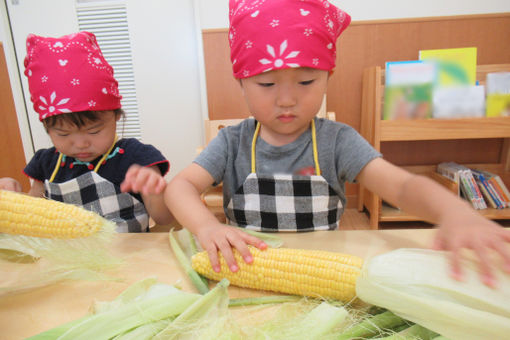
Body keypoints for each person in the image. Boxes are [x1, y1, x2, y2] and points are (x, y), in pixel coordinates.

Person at [165, 0, 510, 286]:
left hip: (323, 279)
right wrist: (207, 226)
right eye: (267, 85)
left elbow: (403, 188)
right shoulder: (231, 142)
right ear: (241, 82)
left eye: (305, 81)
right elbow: (179, 187)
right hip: (246, 276)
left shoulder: (338, 141)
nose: (287, 100)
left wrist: (454, 211)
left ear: (328, 76)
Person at [0, 31, 173, 232]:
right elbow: (30, 216)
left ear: (116, 117)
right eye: (63, 134)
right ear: (47, 128)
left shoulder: (136, 157)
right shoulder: (45, 163)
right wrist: (10, 197)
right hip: (67, 259)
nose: (81, 143)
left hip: (129, 259)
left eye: (94, 131)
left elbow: (164, 219)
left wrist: (155, 190)